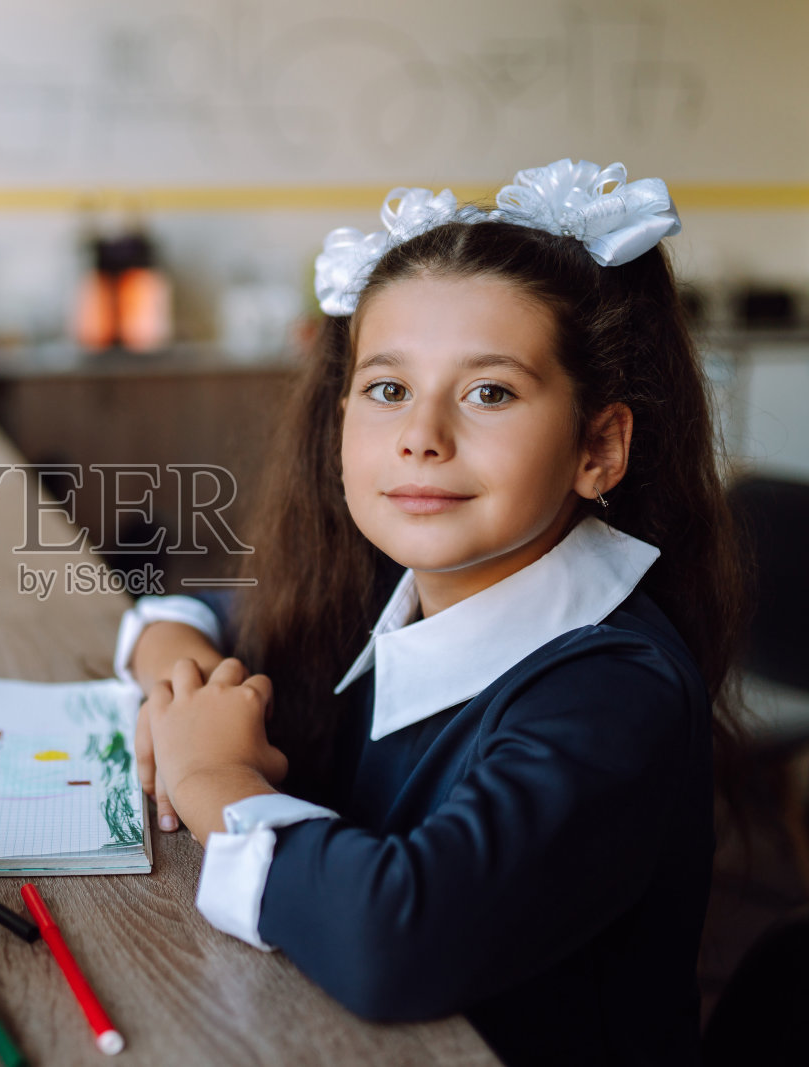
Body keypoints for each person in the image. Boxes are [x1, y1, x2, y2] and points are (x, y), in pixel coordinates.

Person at [117, 161, 743, 1066]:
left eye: (489, 392)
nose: (422, 434)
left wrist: (213, 777)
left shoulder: (613, 691)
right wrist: (178, 673)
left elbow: (396, 936)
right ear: (341, 423)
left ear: (599, 447)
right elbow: (195, 614)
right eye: (387, 388)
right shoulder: (393, 580)